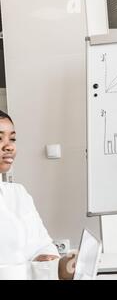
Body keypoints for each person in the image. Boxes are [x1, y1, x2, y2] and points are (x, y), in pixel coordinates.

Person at [0, 110, 76, 279]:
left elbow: (44, 244)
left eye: (12, 139)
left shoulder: (18, 193)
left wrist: (51, 259)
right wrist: (38, 266)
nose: (9, 146)